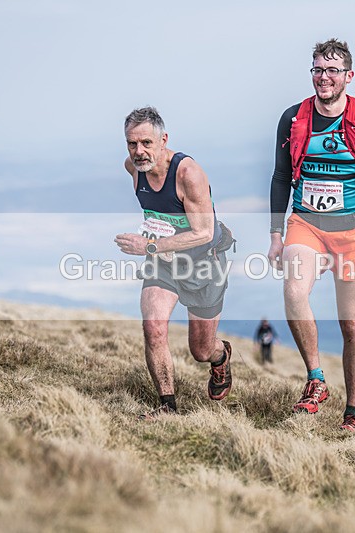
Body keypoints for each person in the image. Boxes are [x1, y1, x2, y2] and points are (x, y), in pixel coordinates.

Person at [267, 38, 355, 431]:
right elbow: (281, 177)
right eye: (318, 70)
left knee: (351, 324)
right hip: (306, 224)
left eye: (332, 70)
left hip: (353, 231)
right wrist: (276, 233)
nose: (324, 77)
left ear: (348, 77)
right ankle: (316, 379)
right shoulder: (293, 118)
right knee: (293, 293)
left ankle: (353, 411)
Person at [115, 106, 234, 417]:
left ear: (163, 139)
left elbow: (205, 232)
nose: (139, 152)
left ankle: (220, 358)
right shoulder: (133, 167)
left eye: (146, 143)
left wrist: (150, 246)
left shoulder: (187, 173)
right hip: (163, 262)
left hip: (203, 262)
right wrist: (155, 248)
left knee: (200, 349)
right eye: (132, 143)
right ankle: (167, 406)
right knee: (153, 327)